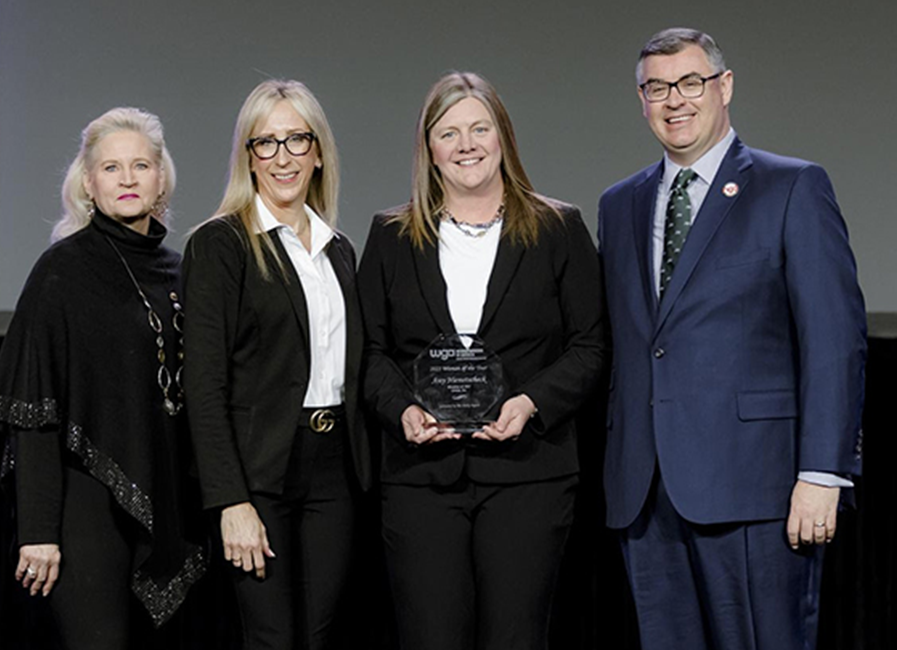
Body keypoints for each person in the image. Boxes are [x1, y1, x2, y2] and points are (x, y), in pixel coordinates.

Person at [597, 27, 866, 649]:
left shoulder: (791, 187)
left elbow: (834, 341)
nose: (675, 101)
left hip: (759, 490)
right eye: (657, 88)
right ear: (642, 100)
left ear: (725, 87)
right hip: (647, 494)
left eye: (690, 83)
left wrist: (823, 472)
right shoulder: (620, 205)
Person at [357, 71, 606, 650]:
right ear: (430, 149)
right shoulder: (392, 235)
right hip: (422, 478)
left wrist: (530, 403)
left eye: (478, 128)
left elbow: (591, 345)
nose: (466, 144)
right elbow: (368, 351)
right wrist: (402, 412)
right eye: (448, 133)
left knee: (515, 638)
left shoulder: (557, 229)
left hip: (528, 473)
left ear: (503, 138)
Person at [0, 107, 205, 649]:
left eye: (141, 165)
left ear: (162, 178)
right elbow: (33, 412)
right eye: (112, 168)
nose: (128, 178)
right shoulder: (61, 273)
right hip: (85, 507)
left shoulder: (180, 272)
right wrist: (38, 533)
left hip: (169, 497)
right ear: (89, 182)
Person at [183, 79, 372, 650]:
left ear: (319, 152)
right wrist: (231, 501)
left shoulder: (338, 249)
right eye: (266, 143)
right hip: (259, 474)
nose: (283, 157)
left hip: (334, 469)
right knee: (271, 639)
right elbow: (204, 385)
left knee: (321, 635)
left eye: (296, 140)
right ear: (249, 156)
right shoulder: (221, 245)